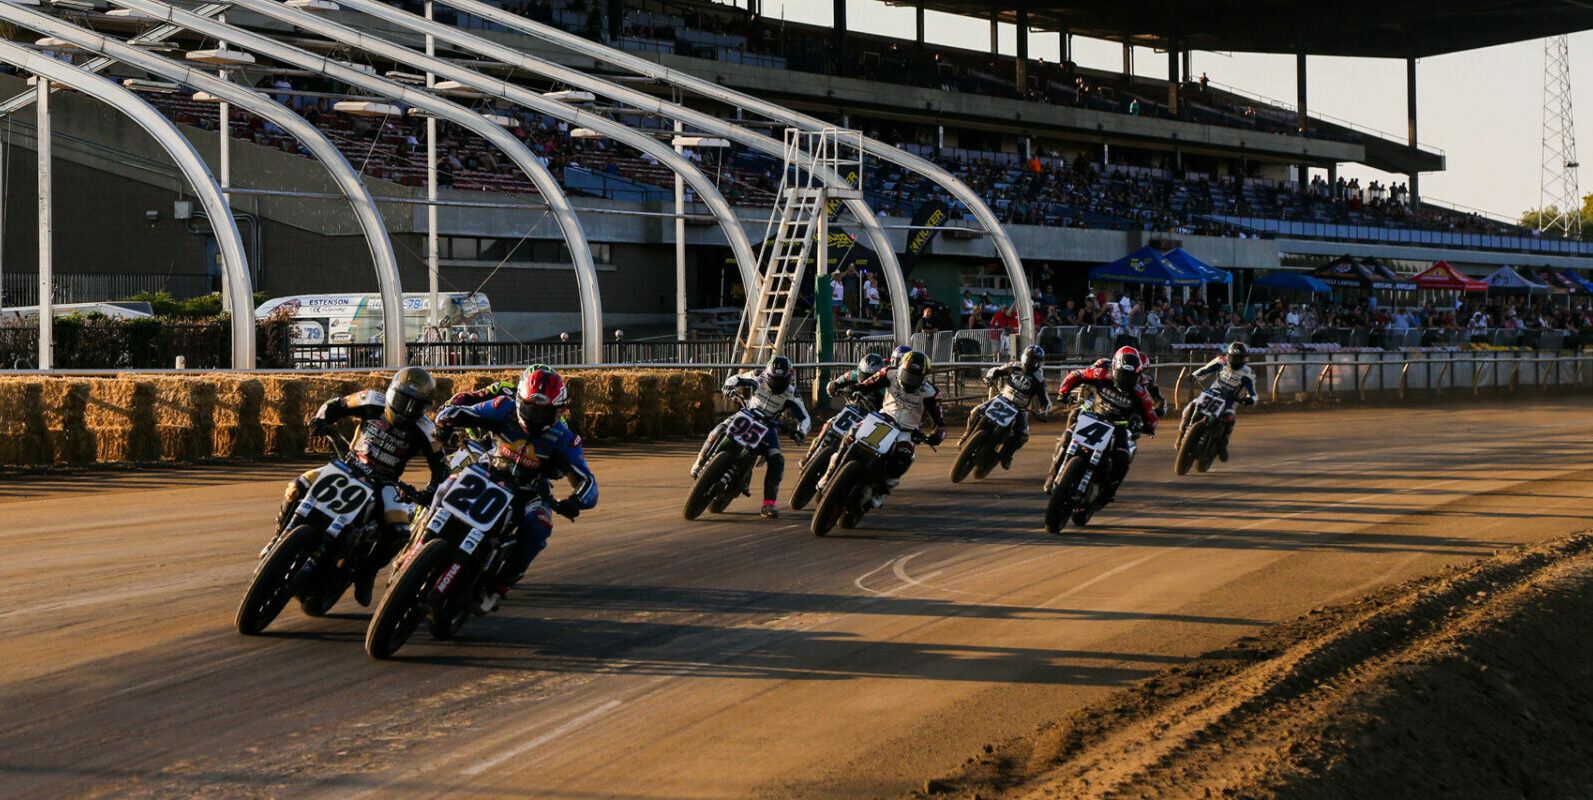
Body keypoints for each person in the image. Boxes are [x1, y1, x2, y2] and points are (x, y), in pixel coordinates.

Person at [433, 366, 597, 612]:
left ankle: (499, 586)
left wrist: (577, 500)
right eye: (532, 409)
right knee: (447, 485)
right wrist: (447, 421)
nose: (537, 418)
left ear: (559, 410)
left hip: (530, 489)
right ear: (520, 400)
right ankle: (421, 540)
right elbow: (462, 410)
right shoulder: (503, 406)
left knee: (539, 526)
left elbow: (589, 482)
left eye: (546, 412)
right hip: (490, 469)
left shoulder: (564, 437)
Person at [291, 367, 450, 606]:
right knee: (298, 486)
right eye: (402, 400)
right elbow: (335, 403)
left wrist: (429, 492)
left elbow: (442, 467)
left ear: (424, 407)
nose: (407, 409)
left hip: (384, 482)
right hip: (349, 465)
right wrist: (322, 419)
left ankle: (367, 572)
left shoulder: (427, 430)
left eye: (414, 405)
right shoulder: (370, 399)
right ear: (390, 392)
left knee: (399, 531)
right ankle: (277, 540)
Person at [696, 355, 810, 518]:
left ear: (788, 378)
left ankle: (768, 504)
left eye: (780, 380)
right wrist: (729, 387)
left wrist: (801, 431)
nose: (777, 384)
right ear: (768, 374)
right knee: (719, 429)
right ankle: (700, 460)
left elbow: (805, 417)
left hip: (768, 428)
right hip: (746, 414)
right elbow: (736, 378)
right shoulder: (757, 376)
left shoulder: (793, 394)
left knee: (777, 460)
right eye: (774, 379)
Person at [1051, 347, 1158, 503]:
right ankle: (1052, 477)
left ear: (1138, 375)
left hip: (1118, 426)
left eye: (1130, 376)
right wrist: (1063, 392)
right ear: (1114, 368)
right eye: (1122, 374)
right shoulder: (1100, 374)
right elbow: (1076, 374)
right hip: (1093, 418)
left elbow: (1151, 416)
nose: (1125, 379)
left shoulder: (1141, 393)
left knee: (1122, 458)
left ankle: (1108, 490)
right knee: (1067, 437)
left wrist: (1148, 426)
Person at [846, 349, 946, 507]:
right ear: (900, 369)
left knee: (904, 457)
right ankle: (831, 471)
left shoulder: (931, 394)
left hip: (907, 431)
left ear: (924, 377)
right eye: (908, 375)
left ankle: (882, 492)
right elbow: (868, 384)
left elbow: (939, 423)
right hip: (883, 419)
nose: (910, 380)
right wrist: (856, 389)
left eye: (915, 378)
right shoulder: (888, 373)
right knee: (852, 433)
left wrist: (936, 436)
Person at [968, 344, 1053, 469]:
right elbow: (996, 370)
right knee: (975, 411)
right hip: (1003, 398)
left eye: (1034, 360)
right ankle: (966, 435)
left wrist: (1043, 412)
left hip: (1020, 408)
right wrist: (989, 377)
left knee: (1023, 435)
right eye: (1029, 358)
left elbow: (1045, 401)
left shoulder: (1039, 380)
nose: (1030, 362)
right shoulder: (1014, 365)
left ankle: (1007, 454)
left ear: (1039, 362)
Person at [1180, 341, 1257, 461]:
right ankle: (1182, 434)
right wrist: (1193, 376)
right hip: (1212, 393)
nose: (1236, 361)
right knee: (1190, 407)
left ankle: (1223, 445)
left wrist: (1250, 399)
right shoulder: (1221, 361)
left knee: (1230, 419)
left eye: (1239, 358)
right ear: (1228, 356)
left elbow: (1252, 392)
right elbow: (1204, 370)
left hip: (1230, 400)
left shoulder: (1248, 372)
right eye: (1234, 358)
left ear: (1245, 359)